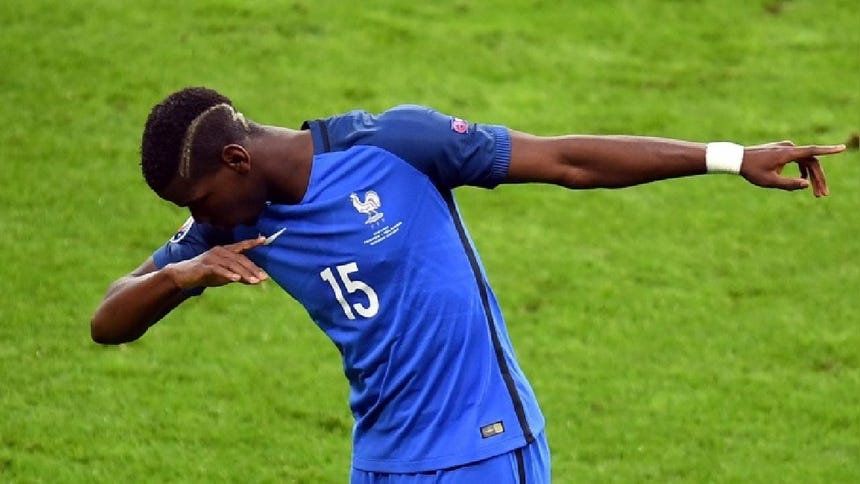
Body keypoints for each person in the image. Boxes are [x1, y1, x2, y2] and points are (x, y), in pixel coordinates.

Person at [90, 86, 845, 483]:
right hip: (382, 458)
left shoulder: (393, 145)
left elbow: (565, 161)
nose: (200, 220)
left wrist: (727, 156)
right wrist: (183, 274)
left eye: (198, 203)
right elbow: (108, 320)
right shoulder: (223, 226)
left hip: (483, 449)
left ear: (236, 159)